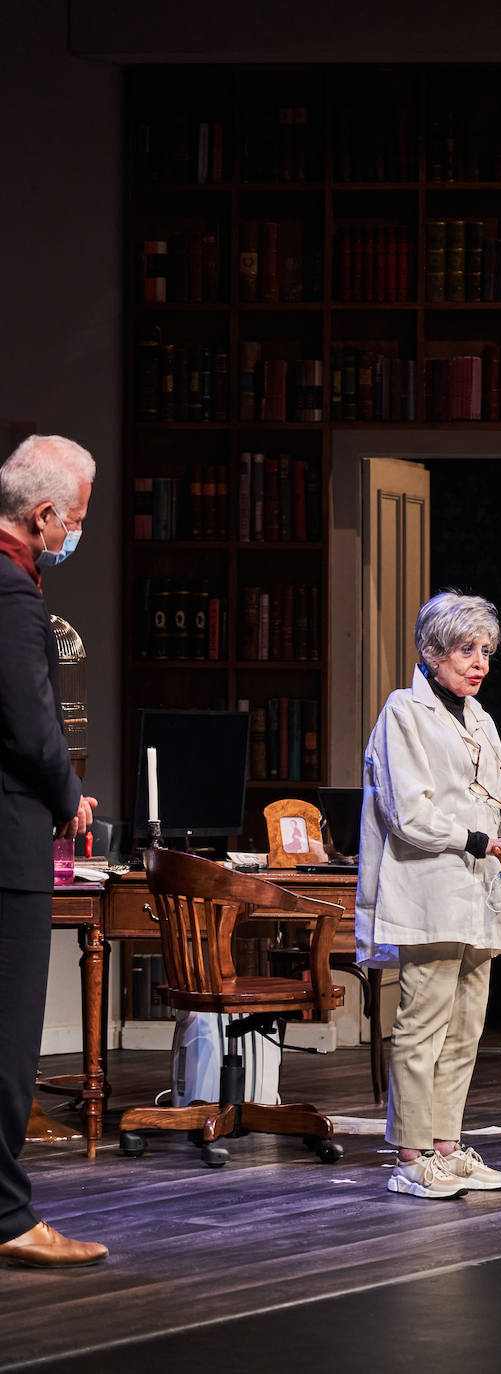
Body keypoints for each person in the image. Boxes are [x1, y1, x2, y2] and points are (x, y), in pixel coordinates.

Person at [356, 591, 501, 1199]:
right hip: (428, 893)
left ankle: (446, 1144)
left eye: (486, 651)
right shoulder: (402, 714)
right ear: (433, 651)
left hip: (477, 896)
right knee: (423, 1027)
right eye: (467, 650)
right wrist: (483, 839)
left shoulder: (481, 719)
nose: (479, 662)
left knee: (465, 1029)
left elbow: (493, 817)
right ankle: (410, 1156)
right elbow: (409, 813)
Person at [0, 434, 107, 1267]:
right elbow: (33, 728)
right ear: (43, 516)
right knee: (8, 1038)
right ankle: (5, 1217)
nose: (77, 531)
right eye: (75, 517)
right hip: (6, 848)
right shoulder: (13, 590)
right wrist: (69, 802)